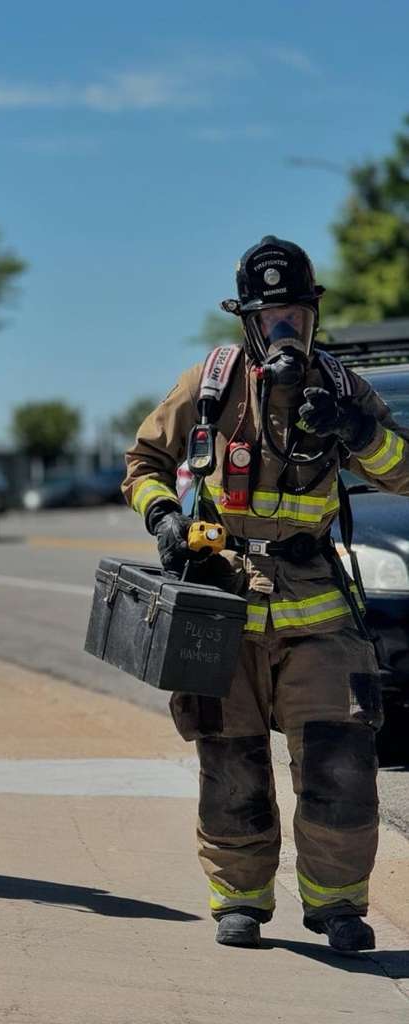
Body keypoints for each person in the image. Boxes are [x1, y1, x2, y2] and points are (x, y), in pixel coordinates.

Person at [122, 235, 409, 951]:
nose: (285, 330)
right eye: (270, 317)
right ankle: (239, 899)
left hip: (316, 601)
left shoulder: (344, 388)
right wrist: (161, 516)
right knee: (230, 757)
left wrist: (358, 431)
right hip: (223, 605)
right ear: (247, 322)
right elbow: (142, 461)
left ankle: (338, 906)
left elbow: (403, 473)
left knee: (339, 759)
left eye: (295, 316)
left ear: (312, 316)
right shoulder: (209, 385)